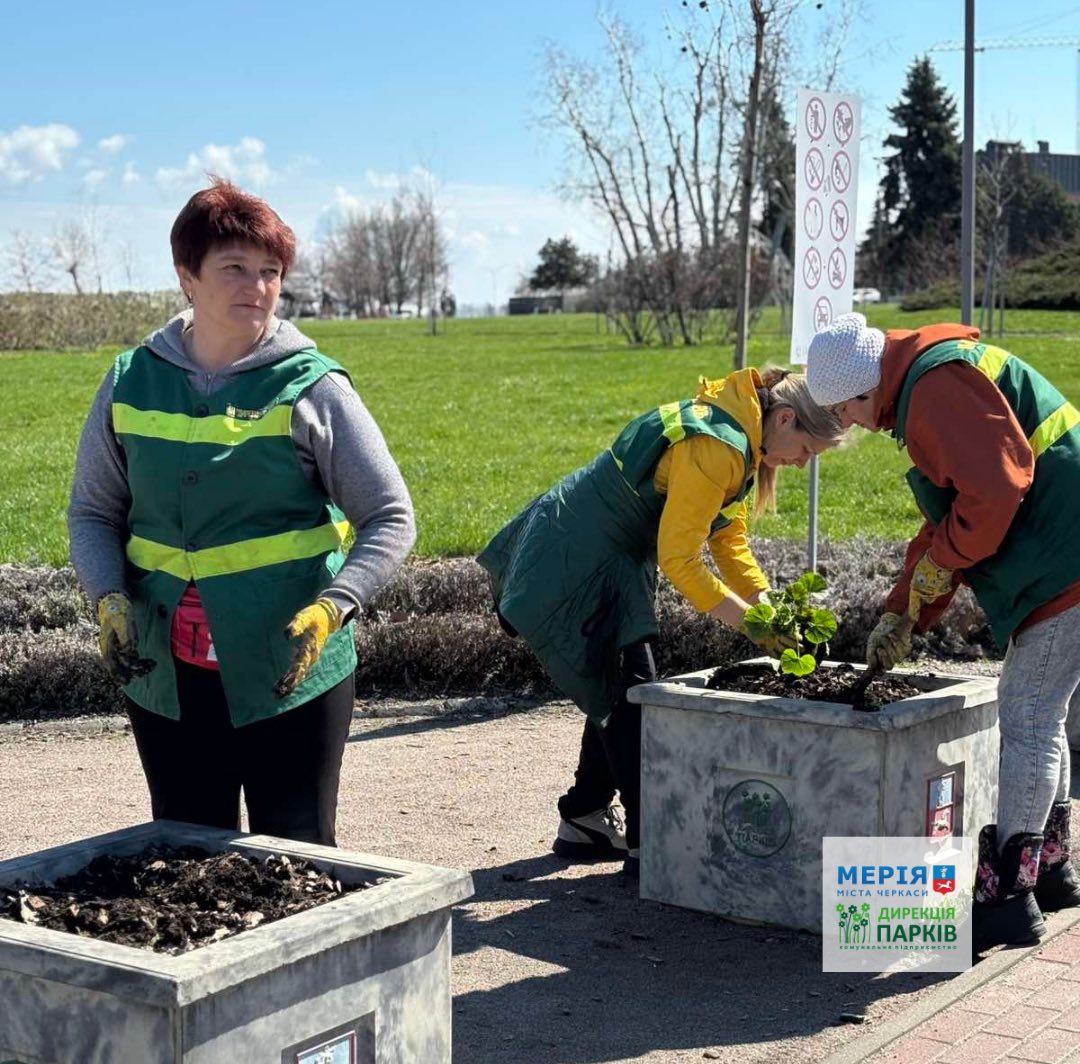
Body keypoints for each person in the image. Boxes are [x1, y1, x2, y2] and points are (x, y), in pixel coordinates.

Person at [68, 177, 415, 846]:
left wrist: (334, 606)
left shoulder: (313, 386)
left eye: (270, 272)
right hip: (164, 674)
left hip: (289, 668)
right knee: (188, 857)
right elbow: (92, 511)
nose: (256, 285)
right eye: (234, 268)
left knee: (298, 858)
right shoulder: (130, 379)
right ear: (186, 277)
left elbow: (391, 516)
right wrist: (108, 599)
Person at [478, 367, 845, 875]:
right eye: (808, 451)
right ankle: (651, 844)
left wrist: (770, 608)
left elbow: (728, 541)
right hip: (576, 555)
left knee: (619, 685)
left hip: (608, 553)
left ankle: (584, 816)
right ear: (785, 418)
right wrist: (754, 627)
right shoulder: (721, 444)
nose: (803, 464)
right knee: (635, 694)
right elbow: (682, 562)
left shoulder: (739, 433)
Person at [806, 312, 1080, 951]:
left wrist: (936, 572)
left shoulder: (934, 388)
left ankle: (1009, 896)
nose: (846, 423)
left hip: (1066, 561)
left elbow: (993, 492)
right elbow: (954, 515)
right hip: (1064, 551)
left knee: (1030, 717)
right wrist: (905, 607)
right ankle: (1055, 870)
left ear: (861, 387)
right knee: (1050, 713)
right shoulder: (928, 379)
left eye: (842, 410)